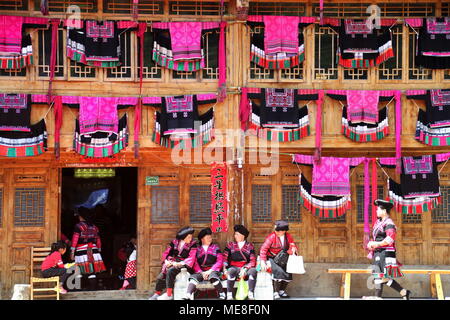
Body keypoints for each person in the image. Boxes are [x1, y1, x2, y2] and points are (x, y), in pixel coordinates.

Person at [367, 199, 411, 300]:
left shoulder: (389, 223)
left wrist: (375, 244)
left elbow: (389, 239)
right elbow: (376, 237)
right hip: (378, 252)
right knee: (380, 276)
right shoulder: (378, 222)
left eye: (378, 209)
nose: (376, 211)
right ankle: (404, 292)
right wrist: (371, 244)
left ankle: (377, 298)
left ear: (384, 211)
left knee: (379, 277)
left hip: (385, 253)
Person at [149, 226, 198, 300]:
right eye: (188, 237)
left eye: (191, 237)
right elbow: (167, 253)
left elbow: (192, 257)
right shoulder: (174, 242)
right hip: (174, 262)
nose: (190, 239)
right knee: (160, 276)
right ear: (183, 237)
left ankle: (169, 294)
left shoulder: (193, 244)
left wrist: (179, 263)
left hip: (185, 264)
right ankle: (157, 293)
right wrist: (167, 261)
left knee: (170, 271)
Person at [259, 220, 298, 299]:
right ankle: (275, 292)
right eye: (276, 230)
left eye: (278, 231)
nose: (276, 232)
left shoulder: (288, 236)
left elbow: (293, 245)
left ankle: (281, 291)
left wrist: (293, 249)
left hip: (283, 258)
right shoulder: (272, 237)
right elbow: (263, 249)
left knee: (288, 273)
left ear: (283, 231)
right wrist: (262, 261)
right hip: (272, 258)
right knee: (278, 272)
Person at [70, 206, 106, 290]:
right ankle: (92, 289)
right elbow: (98, 240)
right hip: (93, 250)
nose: (78, 217)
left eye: (79, 215)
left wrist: (72, 252)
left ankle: (78, 289)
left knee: (78, 270)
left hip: (82, 250)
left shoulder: (78, 226)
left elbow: (75, 240)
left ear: (82, 216)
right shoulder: (94, 227)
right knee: (91, 270)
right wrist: (99, 250)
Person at [183, 227, 225, 300]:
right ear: (202, 239)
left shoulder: (215, 248)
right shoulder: (197, 249)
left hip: (212, 270)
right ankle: (188, 295)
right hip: (200, 271)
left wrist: (210, 271)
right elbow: (194, 262)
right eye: (207, 237)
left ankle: (222, 294)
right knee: (193, 278)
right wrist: (201, 272)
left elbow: (220, 260)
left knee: (213, 277)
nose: (210, 239)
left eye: (210, 237)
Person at [222, 225, 258, 300]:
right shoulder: (230, 245)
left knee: (253, 271)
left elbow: (253, 261)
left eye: (237, 234)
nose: (235, 236)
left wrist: (245, 268)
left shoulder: (249, 246)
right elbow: (224, 258)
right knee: (231, 271)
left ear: (243, 236)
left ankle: (250, 293)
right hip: (233, 267)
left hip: (245, 268)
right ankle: (229, 294)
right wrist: (224, 268)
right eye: (235, 234)